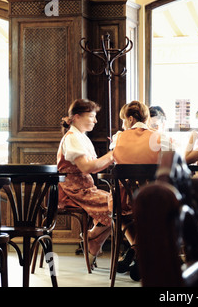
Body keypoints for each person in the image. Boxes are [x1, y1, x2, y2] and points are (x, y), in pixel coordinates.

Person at [112, 101, 174, 277]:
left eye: (123, 120)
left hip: (124, 200)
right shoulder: (160, 138)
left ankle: (135, 250)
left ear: (130, 119)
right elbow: (173, 161)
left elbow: (114, 160)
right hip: (153, 198)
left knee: (118, 212)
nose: (123, 125)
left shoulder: (118, 138)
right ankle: (142, 254)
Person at [57, 99, 114, 269]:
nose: (95, 121)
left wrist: (114, 154)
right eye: (91, 116)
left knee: (119, 203)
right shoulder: (72, 138)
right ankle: (91, 239)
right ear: (76, 117)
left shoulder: (81, 137)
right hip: (72, 191)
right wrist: (113, 154)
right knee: (116, 204)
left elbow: (94, 168)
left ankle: (91, 239)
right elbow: (88, 167)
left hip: (85, 188)